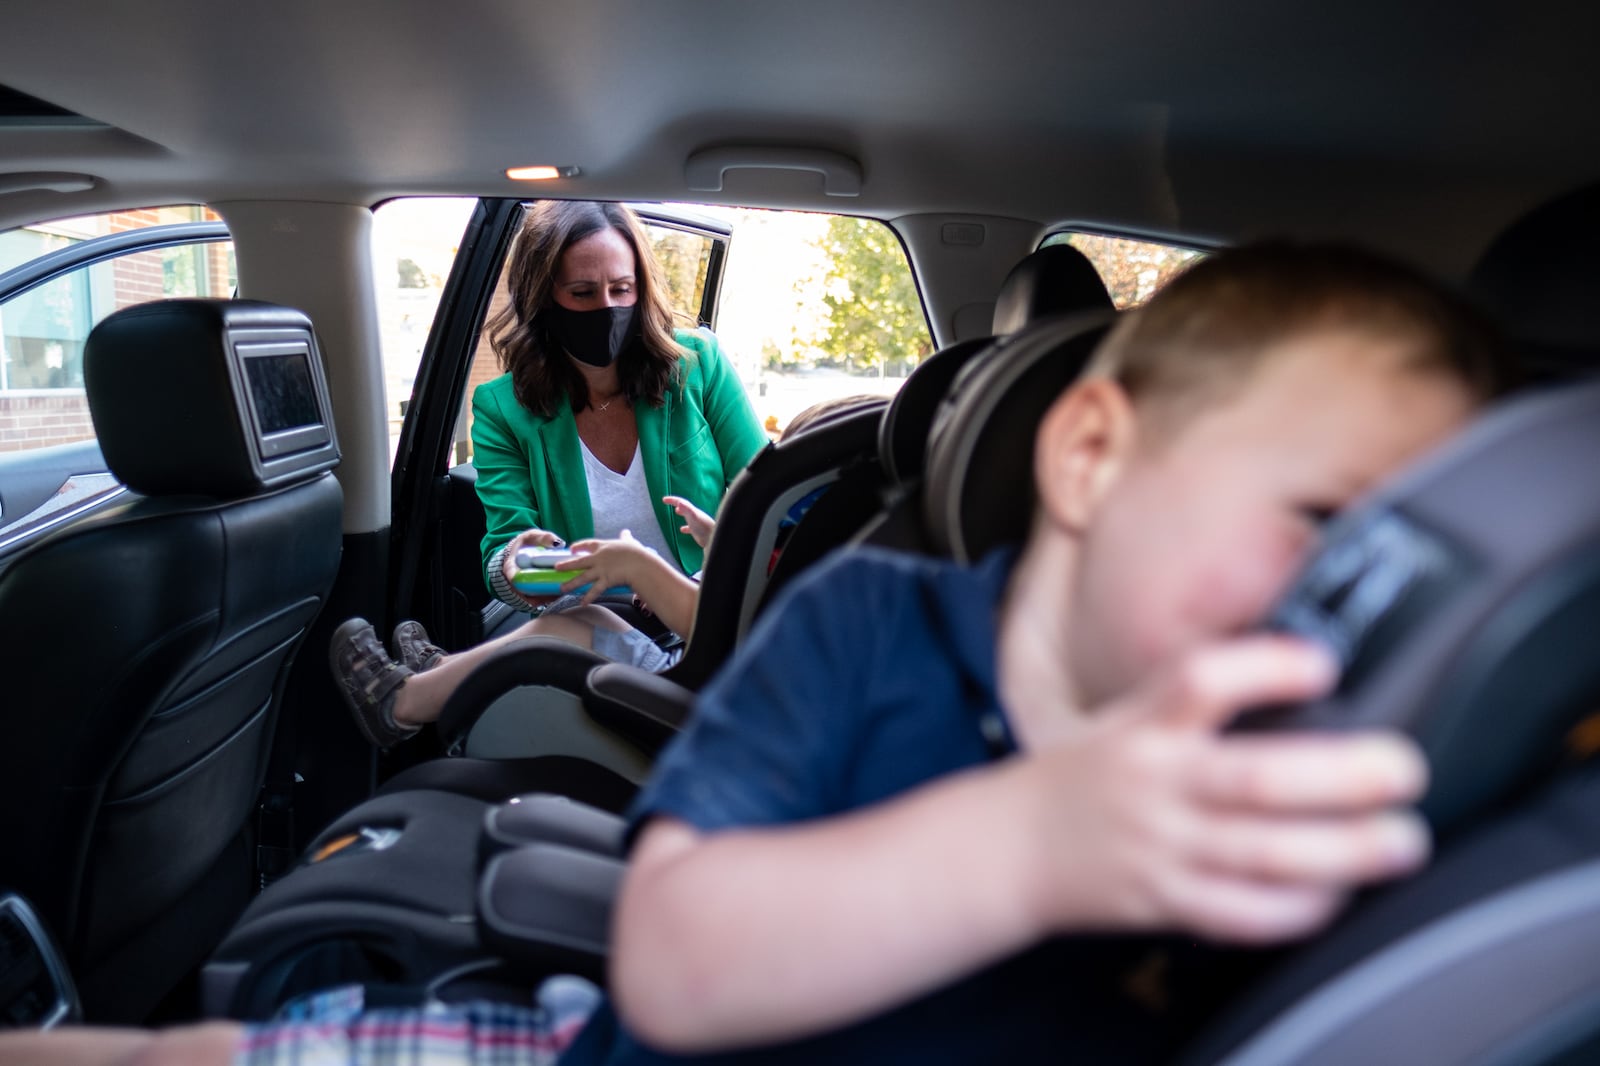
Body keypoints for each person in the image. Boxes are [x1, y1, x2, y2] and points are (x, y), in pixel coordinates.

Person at [1, 241, 1514, 1064]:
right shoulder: (873, 626)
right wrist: (1047, 840)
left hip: (659, 602)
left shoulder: (1325, 773)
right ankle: (415, 687)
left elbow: (726, 501)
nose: (1345, 597)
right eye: (1317, 523)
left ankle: (413, 687)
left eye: (1407, 563)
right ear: (1093, 457)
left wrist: (659, 543)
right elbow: (670, 958)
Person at [331, 200, 768, 748]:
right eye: (583, 294)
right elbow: (504, 554)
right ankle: (432, 684)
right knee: (570, 621)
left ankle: (416, 694)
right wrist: (520, 560)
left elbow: (770, 496)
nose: (607, 308)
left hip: (697, 608)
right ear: (544, 300)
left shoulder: (698, 365)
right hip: (586, 599)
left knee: (557, 636)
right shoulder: (501, 407)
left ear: (641, 288)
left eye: (622, 289)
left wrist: (712, 552)